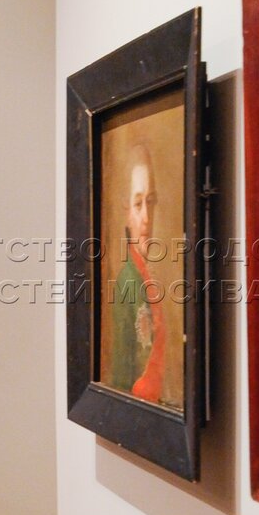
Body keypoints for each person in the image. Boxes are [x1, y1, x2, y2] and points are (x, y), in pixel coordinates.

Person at [108, 144, 166, 402]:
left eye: (150, 202)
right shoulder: (127, 281)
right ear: (126, 210)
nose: (146, 218)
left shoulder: (148, 276)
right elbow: (122, 378)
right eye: (138, 203)